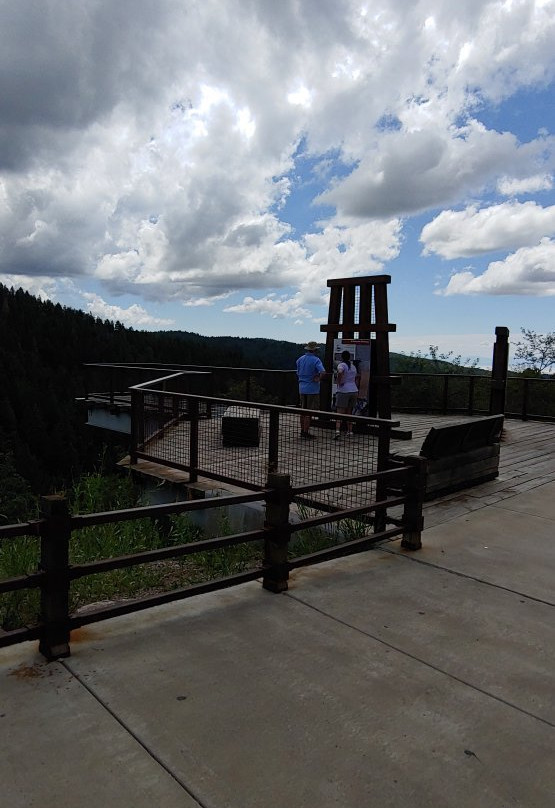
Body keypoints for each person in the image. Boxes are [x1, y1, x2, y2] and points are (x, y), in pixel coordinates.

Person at [296, 341, 325, 439]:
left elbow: (298, 372)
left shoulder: (299, 359)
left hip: (302, 387)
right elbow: (323, 371)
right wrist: (318, 378)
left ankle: (302, 431)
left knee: (303, 410)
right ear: (315, 350)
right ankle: (305, 432)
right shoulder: (316, 360)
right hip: (312, 389)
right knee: (309, 412)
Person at [334, 350, 360, 439]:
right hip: (353, 391)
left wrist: (339, 381)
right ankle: (350, 431)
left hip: (343, 391)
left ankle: (337, 431)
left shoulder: (341, 365)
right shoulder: (353, 366)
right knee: (349, 412)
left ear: (342, 357)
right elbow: (356, 377)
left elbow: (340, 372)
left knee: (339, 413)